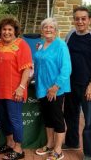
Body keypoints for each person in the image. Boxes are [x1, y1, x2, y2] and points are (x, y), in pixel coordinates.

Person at [63, 6, 91, 160]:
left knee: (90, 120)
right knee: (70, 115)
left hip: (88, 86)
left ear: (89, 20)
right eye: (77, 18)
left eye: (83, 18)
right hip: (71, 84)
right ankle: (72, 142)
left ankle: (89, 153)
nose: (80, 21)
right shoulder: (71, 34)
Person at [34, 18, 71, 160]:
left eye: (51, 27)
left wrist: (55, 87)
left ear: (56, 30)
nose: (48, 29)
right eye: (45, 27)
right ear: (42, 30)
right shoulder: (40, 44)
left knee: (57, 118)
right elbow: (37, 64)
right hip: (42, 87)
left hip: (55, 88)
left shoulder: (61, 45)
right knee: (47, 118)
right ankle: (49, 144)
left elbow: (66, 68)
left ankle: (58, 149)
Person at [0, 17, 32, 160]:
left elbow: (27, 68)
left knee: (14, 119)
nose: (6, 32)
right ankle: (10, 143)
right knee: (3, 118)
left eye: (10, 29)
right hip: (0, 89)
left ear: (15, 31)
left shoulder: (21, 45)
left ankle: (18, 148)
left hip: (15, 89)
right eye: (4, 29)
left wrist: (21, 87)